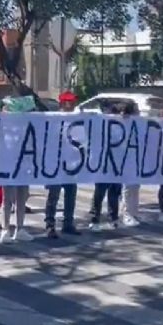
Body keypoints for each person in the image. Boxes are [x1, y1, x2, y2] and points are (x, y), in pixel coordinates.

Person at [43, 91, 81, 239]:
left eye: (73, 102)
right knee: (54, 195)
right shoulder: (54, 119)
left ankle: (68, 223)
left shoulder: (76, 119)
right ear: (62, 104)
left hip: (71, 163)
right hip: (56, 163)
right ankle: (50, 224)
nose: (72, 104)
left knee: (71, 194)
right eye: (69, 102)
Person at [0, 98, 33, 243]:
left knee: (22, 198)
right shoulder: (3, 126)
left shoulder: (26, 126)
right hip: (9, 165)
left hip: (24, 165)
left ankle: (20, 228)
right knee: (7, 199)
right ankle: (5, 229)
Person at [88, 103, 124, 231]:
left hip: (115, 165)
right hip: (103, 164)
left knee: (114, 192)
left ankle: (113, 218)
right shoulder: (100, 126)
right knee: (99, 193)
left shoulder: (120, 127)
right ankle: (94, 218)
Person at [120, 102, 143, 227]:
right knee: (128, 187)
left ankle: (134, 212)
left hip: (137, 157)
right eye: (136, 110)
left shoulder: (139, 122)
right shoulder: (125, 122)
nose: (138, 112)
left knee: (135, 186)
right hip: (126, 158)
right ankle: (126, 213)